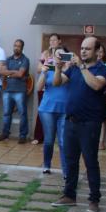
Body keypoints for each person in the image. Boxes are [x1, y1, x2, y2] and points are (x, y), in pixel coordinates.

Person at [51, 36, 106, 212]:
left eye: (88, 48)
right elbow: (57, 82)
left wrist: (82, 66)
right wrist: (57, 68)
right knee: (70, 161)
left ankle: (94, 199)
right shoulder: (74, 68)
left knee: (90, 161)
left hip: (90, 123)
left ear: (97, 52)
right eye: (82, 48)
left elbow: (96, 85)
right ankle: (69, 195)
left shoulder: (103, 69)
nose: (83, 51)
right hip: (71, 121)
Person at [37, 47, 70, 176]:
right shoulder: (49, 67)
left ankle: (66, 171)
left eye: (62, 55)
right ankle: (46, 164)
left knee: (63, 141)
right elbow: (39, 88)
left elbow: (64, 81)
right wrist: (44, 72)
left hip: (65, 109)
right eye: (57, 55)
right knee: (49, 140)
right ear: (53, 56)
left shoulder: (70, 68)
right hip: (47, 108)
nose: (59, 57)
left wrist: (65, 66)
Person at [0, 38, 30, 143]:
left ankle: (22, 136)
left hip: (20, 91)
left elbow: (20, 74)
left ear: (22, 48)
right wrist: (13, 72)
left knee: (22, 114)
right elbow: (2, 72)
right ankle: (5, 133)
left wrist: (9, 72)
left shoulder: (25, 60)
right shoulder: (8, 59)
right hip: (8, 90)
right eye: (15, 45)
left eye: (18, 46)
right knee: (7, 113)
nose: (16, 48)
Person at [32, 34, 61, 143]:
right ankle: (39, 137)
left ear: (59, 41)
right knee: (42, 112)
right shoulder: (45, 53)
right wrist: (46, 65)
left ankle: (55, 138)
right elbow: (39, 68)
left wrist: (51, 65)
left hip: (57, 86)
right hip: (44, 86)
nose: (52, 42)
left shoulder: (61, 54)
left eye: (54, 40)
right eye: (50, 40)